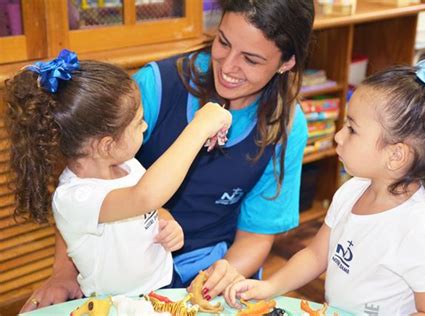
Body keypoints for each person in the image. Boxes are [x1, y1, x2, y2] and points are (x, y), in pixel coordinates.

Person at [19, 0, 315, 312]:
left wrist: (224, 272)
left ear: (286, 62)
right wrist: (63, 274)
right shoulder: (156, 86)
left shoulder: (287, 127)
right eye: (223, 42)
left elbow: (256, 235)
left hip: (213, 266)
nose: (228, 67)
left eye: (251, 60)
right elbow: (85, 179)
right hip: (124, 275)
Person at [224, 56, 425, 316]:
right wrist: (270, 287)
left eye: (352, 129)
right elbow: (316, 256)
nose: (339, 136)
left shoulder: (420, 233)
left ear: (396, 155)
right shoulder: (352, 191)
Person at [5, 50, 231, 298]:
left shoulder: (127, 165)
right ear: (106, 145)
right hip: (118, 303)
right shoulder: (75, 198)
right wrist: (199, 127)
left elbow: (147, 209)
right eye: (138, 122)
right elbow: (144, 197)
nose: (145, 127)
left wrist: (167, 222)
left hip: (163, 284)